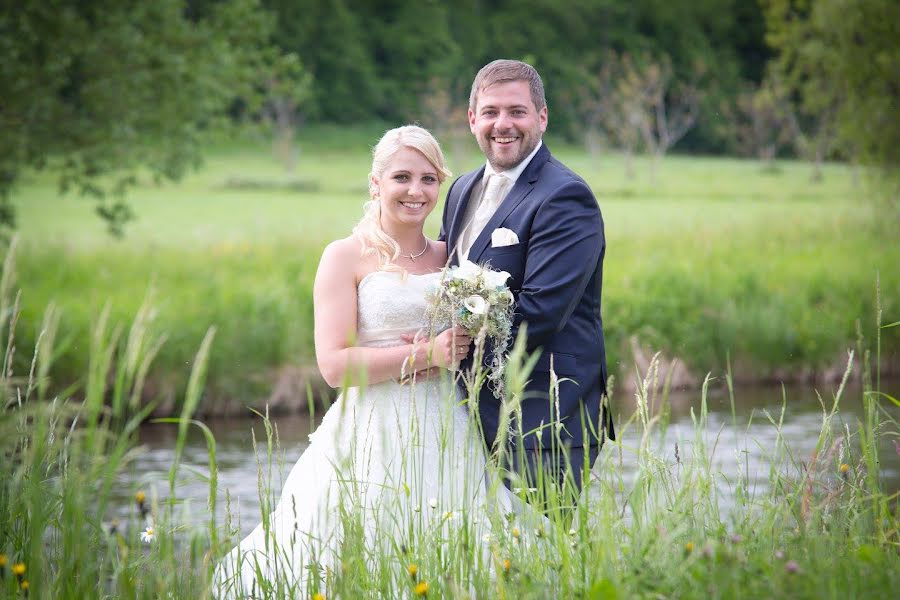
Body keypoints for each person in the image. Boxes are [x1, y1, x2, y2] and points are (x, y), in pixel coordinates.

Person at [213, 126, 516, 598]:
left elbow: (470, 342)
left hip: (445, 425)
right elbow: (333, 365)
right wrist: (426, 354)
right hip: (371, 428)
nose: (415, 191)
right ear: (375, 183)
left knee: (456, 547)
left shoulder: (452, 258)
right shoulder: (344, 256)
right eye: (401, 177)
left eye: (428, 179)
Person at [440, 59, 614, 498]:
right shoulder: (461, 188)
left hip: (543, 421)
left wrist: (447, 332)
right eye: (492, 112)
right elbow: (442, 276)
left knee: (541, 553)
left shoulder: (565, 196)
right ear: (472, 119)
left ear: (542, 116)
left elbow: (540, 313)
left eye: (516, 111)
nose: (503, 124)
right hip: (464, 413)